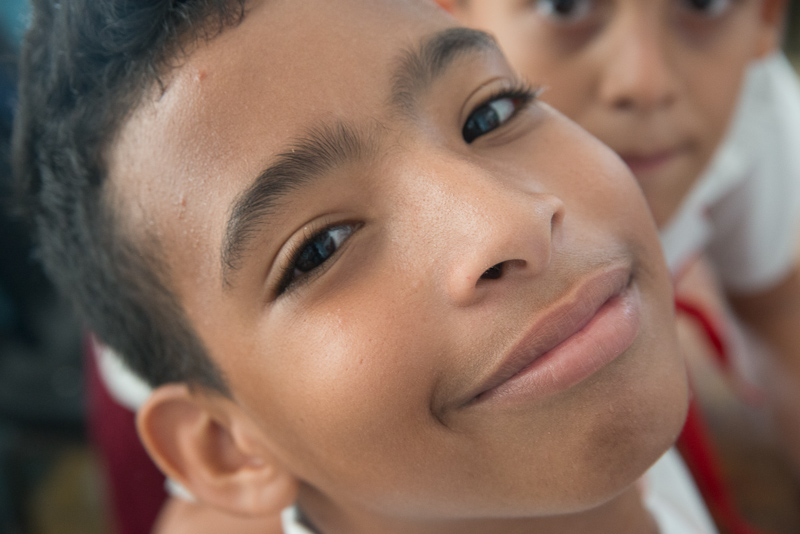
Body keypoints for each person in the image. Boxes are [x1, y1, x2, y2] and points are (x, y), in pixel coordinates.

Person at [15, 0, 710, 532]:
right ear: (228, 447)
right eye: (322, 247)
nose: (511, 221)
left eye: (489, 113)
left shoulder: (560, 369)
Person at [435, 0, 800, 478]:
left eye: (705, 4)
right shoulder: (427, 219)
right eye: (563, 7)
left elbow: (776, 307)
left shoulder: (753, 110)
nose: (645, 84)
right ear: (446, 17)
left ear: (766, 19)